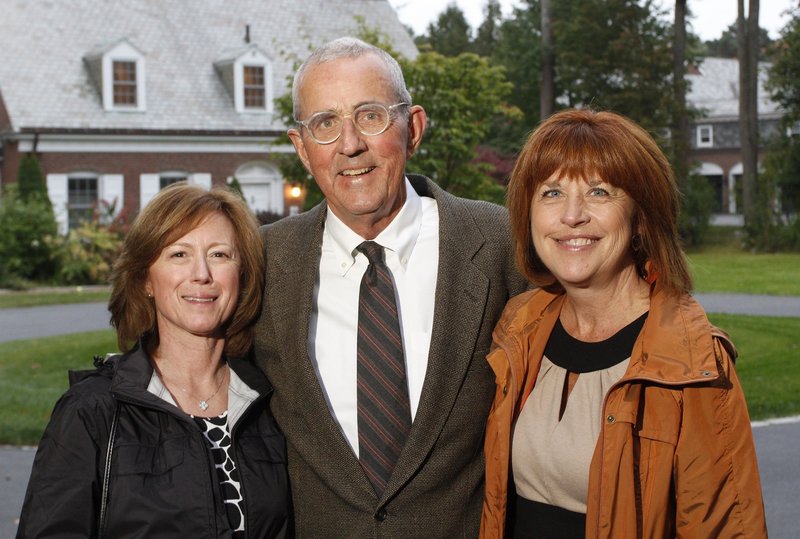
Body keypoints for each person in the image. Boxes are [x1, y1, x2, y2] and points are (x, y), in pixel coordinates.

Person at [253, 36, 527, 537]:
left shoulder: (498, 242)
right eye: (325, 124)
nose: (349, 144)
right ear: (301, 146)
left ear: (413, 127)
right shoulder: (264, 261)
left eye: (371, 115)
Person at [480, 109, 767, 538]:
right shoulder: (519, 328)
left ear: (640, 216)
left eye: (598, 191)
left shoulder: (694, 364)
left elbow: (727, 529)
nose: (572, 216)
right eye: (552, 193)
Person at [17, 183, 291, 538]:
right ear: (146, 278)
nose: (201, 274)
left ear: (242, 275)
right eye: (179, 254)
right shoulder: (91, 411)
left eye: (220, 255)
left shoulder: (269, 403)